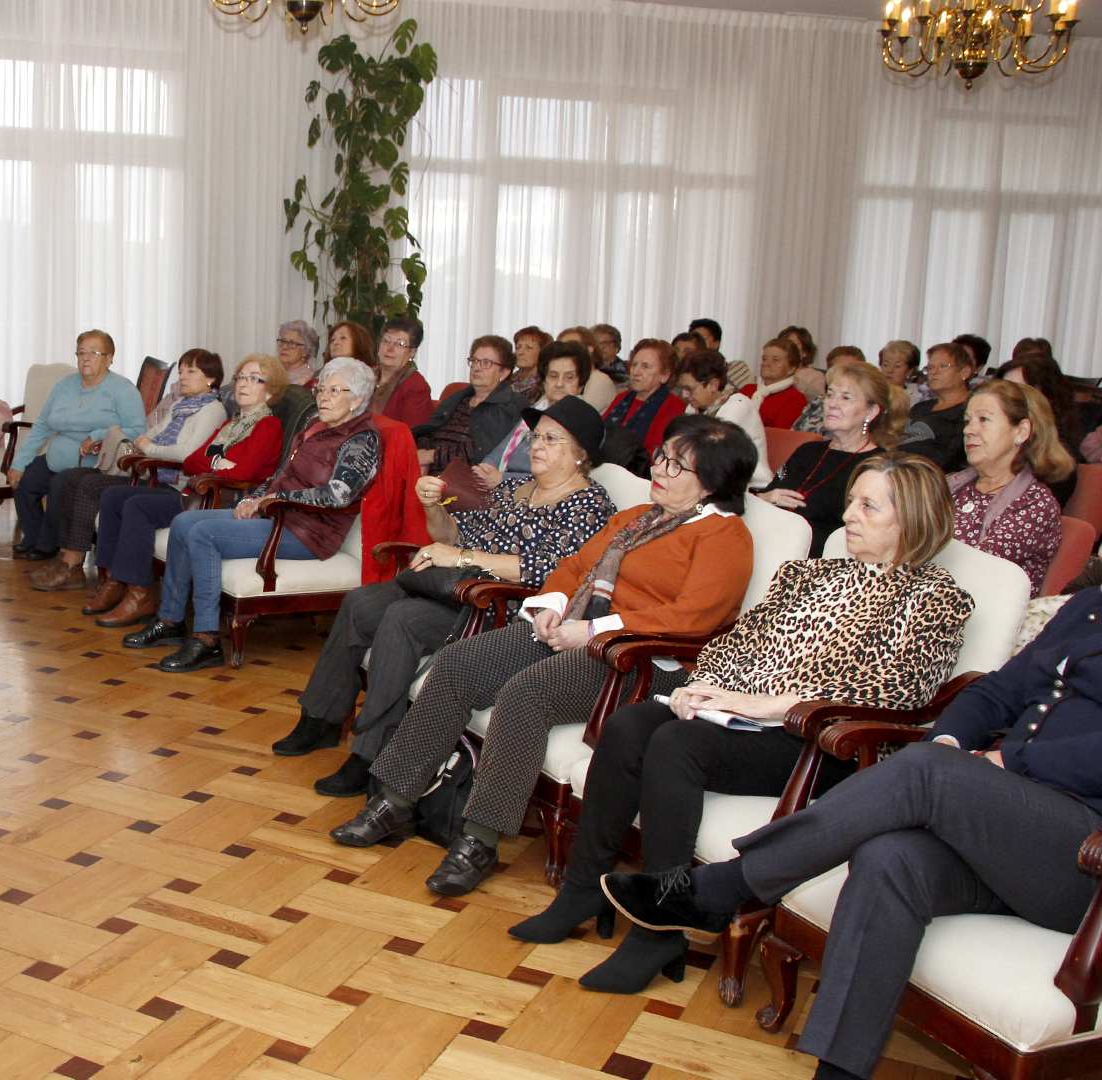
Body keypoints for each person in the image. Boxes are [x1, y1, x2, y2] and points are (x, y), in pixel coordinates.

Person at [600, 585, 1102, 1080]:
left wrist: (1006, 759)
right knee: (890, 857)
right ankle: (838, 1073)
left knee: (927, 769)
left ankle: (723, 888)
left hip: (1079, 859)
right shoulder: (1087, 606)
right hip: (1000, 831)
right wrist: (951, 740)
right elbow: (997, 691)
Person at [525, 455, 972, 994]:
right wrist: (702, 685)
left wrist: (767, 704)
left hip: (822, 745)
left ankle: (658, 928)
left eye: (867, 505)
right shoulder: (809, 574)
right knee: (629, 725)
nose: (849, 514)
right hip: (741, 718)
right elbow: (739, 641)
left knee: (675, 744)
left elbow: (893, 694)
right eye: (852, 500)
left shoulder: (935, 598)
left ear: (913, 521)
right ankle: (583, 890)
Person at [330, 415, 758, 899]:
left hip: (641, 660)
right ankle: (395, 800)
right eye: (662, 457)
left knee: (526, 694)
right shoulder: (639, 516)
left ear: (712, 483)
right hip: (574, 629)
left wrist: (593, 630)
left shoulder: (725, 537)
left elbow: (691, 618)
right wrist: (550, 607)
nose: (661, 469)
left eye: (678, 466)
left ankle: (480, 839)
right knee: (457, 664)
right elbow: (574, 566)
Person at [273, 396, 617, 789]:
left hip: (496, 606)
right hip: (451, 586)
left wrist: (461, 556)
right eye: (536, 437)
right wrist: (432, 507)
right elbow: (452, 535)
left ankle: (371, 755)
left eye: (552, 440)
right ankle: (322, 719)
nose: (536, 445)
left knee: (404, 620)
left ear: (581, 455)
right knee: (360, 602)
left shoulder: (589, 504)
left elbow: (553, 571)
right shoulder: (518, 486)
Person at [124, 358, 383, 673]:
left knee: (204, 534)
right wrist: (253, 499)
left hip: (309, 533)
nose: (323, 397)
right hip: (278, 518)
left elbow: (339, 494)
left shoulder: (361, 438)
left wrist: (274, 500)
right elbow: (280, 477)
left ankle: (207, 640)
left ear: (356, 399)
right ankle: (170, 621)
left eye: (334, 391)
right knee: (183, 522)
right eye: (322, 389)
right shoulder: (315, 429)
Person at [86, 356, 288, 626]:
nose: (243, 383)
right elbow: (192, 461)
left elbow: (244, 473)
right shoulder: (231, 425)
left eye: (255, 378)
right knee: (113, 497)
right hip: (196, 494)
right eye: (240, 377)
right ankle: (113, 583)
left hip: (222, 502)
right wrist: (218, 462)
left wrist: (211, 463)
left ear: (270, 390)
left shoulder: (268, 425)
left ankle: (139, 596)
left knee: (137, 506)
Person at [28, 350, 226, 591]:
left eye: (191, 371)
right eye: (181, 370)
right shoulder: (180, 405)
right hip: (149, 471)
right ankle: (65, 557)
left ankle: (73, 566)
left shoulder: (213, 410)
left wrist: (150, 449)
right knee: (70, 477)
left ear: (211, 378)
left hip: (171, 482)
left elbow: (187, 453)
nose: (183, 376)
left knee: (89, 485)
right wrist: (142, 445)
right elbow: (149, 435)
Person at [7, 330, 146, 561]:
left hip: (95, 464)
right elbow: (42, 425)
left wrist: (99, 436)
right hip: (55, 459)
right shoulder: (64, 385)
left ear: (109, 358)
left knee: (60, 486)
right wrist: (19, 463)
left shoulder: (123, 389)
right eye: (81, 352)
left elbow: (137, 431)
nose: (86, 358)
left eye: (94, 352)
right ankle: (33, 536)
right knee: (24, 481)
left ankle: (48, 544)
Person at [756, 362, 901, 556]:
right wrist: (766, 498)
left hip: (826, 565)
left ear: (871, 411)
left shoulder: (878, 467)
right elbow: (764, 498)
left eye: (846, 397)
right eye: (830, 394)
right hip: (770, 549)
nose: (832, 403)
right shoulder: (808, 451)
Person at [949, 380, 1069, 595]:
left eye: (984, 419)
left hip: (981, 613)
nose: (969, 430)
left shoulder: (1035, 503)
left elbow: (974, 567)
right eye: (967, 421)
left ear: (1021, 431)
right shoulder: (951, 485)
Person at [477, 341, 595, 482]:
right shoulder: (535, 413)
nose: (559, 383)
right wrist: (483, 470)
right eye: (553, 376)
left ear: (581, 385)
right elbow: (498, 453)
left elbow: (562, 477)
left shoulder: (585, 423)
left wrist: (503, 479)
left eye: (569, 377)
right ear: (544, 382)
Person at [412, 336, 522, 474]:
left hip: (468, 479)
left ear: (504, 372)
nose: (476, 367)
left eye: (486, 363)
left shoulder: (510, 405)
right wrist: (422, 454)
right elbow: (428, 431)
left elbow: (479, 451)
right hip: (430, 473)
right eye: (474, 360)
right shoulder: (458, 397)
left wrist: (430, 456)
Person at [674, 348, 772, 487]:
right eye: (682, 388)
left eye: (690, 389)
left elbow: (709, 454)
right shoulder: (694, 407)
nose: (684, 395)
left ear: (713, 385)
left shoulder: (738, 406)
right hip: (713, 481)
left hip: (750, 486)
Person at [601, 339, 686, 453]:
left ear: (665, 375)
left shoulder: (674, 405)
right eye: (634, 365)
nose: (636, 372)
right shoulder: (622, 397)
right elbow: (599, 433)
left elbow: (658, 451)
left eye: (646, 366)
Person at [901, 342, 973, 472]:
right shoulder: (920, 407)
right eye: (930, 367)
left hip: (932, 477)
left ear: (965, 372)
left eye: (943, 366)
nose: (933, 372)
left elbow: (953, 459)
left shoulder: (969, 410)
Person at [371, 318, 434, 427]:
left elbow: (412, 436)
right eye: (386, 340)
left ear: (412, 352)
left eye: (400, 344)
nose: (390, 348)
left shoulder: (416, 387)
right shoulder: (364, 375)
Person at [790, 344, 863, 436]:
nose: (843, 375)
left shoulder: (861, 406)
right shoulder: (818, 401)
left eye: (849, 371)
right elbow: (793, 434)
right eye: (838, 370)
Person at [753, 338, 810, 429]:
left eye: (775, 360)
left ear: (792, 369)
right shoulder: (746, 390)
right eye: (764, 358)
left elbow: (779, 437)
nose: (766, 364)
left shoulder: (796, 399)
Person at [878, 340, 930, 405]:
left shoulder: (918, 396)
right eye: (886, 365)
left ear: (910, 371)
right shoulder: (872, 392)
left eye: (897, 366)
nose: (890, 370)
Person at [512, 326, 553, 400]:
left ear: (542, 353)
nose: (520, 352)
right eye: (518, 347)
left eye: (529, 347)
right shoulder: (507, 382)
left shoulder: (546, 386)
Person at [275, 321, 320, 388]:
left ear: (305, 351)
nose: (284, 347)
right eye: (283, 341)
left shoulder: (308, 379)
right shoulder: (274, 372)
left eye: (292, 343)